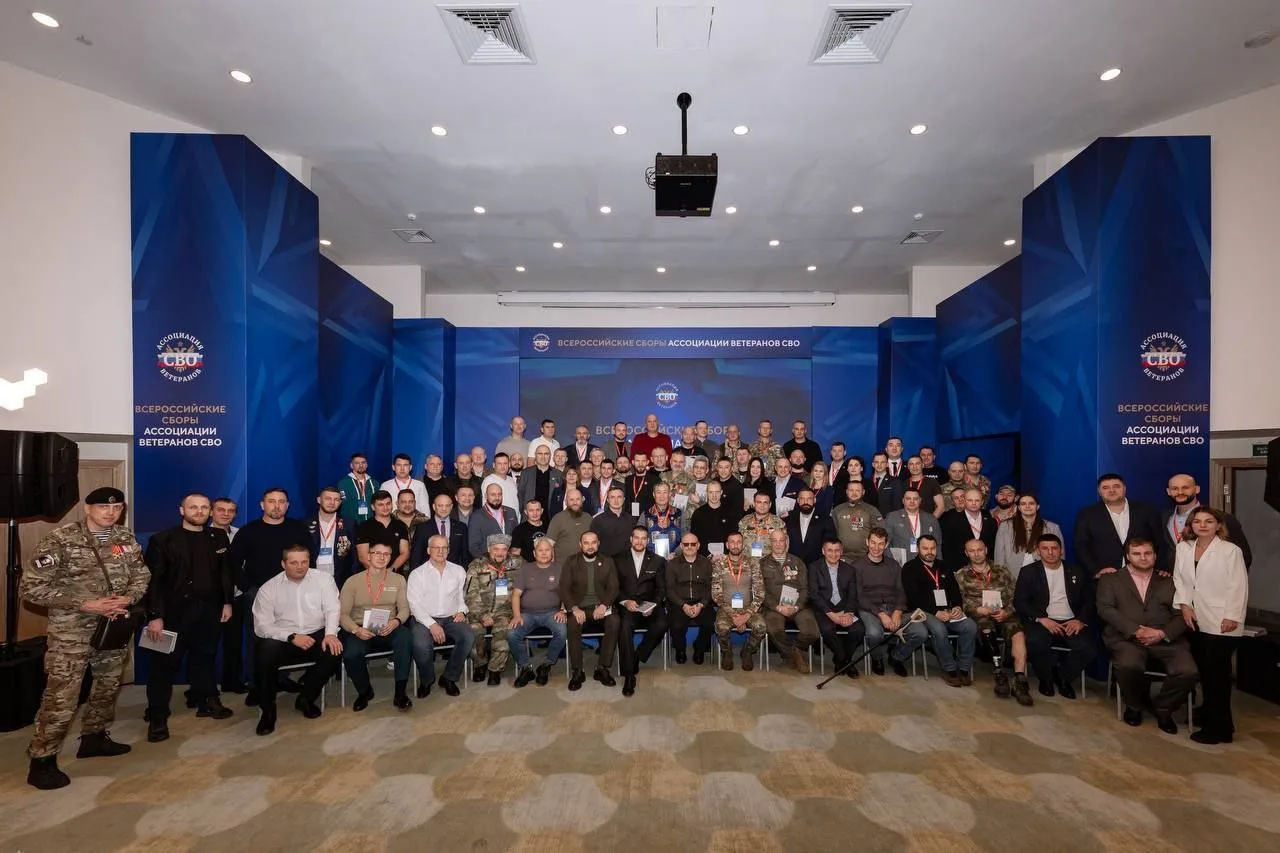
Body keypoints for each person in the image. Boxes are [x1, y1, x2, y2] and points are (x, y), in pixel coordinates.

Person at [22, 488, 150, 790]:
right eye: (103, 507)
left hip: (113, 625)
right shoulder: (61, 540)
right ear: (88, 508)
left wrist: (128, 597)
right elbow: (31, 588)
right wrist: (85, 604)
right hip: (72, 631)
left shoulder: (125, 538)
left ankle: (94, 738)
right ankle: (42, 760)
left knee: (107, 685)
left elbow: (141, 574)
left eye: (117, 507)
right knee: (62, 695)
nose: (111, 512)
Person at [142, 493, 234, 743]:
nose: (199, 511)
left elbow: (225, 574)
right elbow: (153, 582)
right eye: (193, 507)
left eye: (204, 507)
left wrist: (227, 602)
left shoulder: (218, 537)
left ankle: (207, 701)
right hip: (171, 616)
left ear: (210, 511)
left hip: (209, 612)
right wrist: (155, 616)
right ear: (182, 510)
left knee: (205, 658)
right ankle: (158, 716)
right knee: (163, 667)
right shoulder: (162, 540)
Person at [1097, 538, 1196, 733]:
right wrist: (1136, 630)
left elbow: (1182, 614)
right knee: (1129, 665)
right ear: (1128, 556)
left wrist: (1162, 633)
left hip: (1165, 639)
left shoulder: (1171, 581)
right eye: (1137, 554)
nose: (1143, 558)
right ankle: (1134, 706)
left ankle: (1163, 708)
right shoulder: (1110, 579)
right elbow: (1105, 609)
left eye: (1147, 553)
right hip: (1126, 638)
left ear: (1155, 556)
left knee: (1188, 671)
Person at [230, 487, 315, 703]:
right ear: (262, 505)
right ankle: (257, 685)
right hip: (258, 593)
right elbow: (233, 563)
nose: (277, 506)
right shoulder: (249, 531)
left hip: (292, 592)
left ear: (287, 505)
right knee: (258, 639)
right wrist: (247, 588)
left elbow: (310, 558)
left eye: (281, 501)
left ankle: (281, 678)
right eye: (272, 501)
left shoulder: (298, 529)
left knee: (289, 634)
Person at [1173, 507, 1248, 744]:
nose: (1202, 525)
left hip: (1223, 621)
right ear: (1191, 525)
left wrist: (1232, 616)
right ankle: (1214, 717)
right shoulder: (1183, 547)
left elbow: (1238, 585)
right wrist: (1184, 605)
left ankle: (1219, 729)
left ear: (1218, 525)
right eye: (1197, 521)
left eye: (1208, 521)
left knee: (1217, 676)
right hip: (1195, 618)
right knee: (1205, 673)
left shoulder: (1230, 550)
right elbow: (1179, 579)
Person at [251, 544, 343, 736]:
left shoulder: (323, 579)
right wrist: (291, 637)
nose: (300, 567)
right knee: (265, 651)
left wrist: (330, 634)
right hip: (284, 638)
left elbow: (332, 609)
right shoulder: (269, 588)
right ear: (283, 564)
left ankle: (306, 698)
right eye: (294, 563)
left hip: (316, 633)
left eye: (304, 562)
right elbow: (262, 626)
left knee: (334, 649)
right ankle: (267, 711)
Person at [1014, 534, 1097, 699]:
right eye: (1045, 548)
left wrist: (1080, 620)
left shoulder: (1076, 570)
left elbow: (1089, 601)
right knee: (1035, 642)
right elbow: (1020, 601)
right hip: (1043, 619)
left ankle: (1063, 677)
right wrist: (1041, 618)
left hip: (1071, 620)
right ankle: (1046, 679)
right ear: (1038, 551)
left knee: (1089, 648)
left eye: (1054, 548)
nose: (1050, 552)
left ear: (1061, 550)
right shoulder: (1028, 572)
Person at [956, 539, 1033, 705]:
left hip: (1004, 613)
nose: (976, 554)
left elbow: (1015, 595)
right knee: (986, 629)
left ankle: (1020, 679)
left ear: (986, 550)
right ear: (966, 553)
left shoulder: (1002, 571)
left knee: (1018, 633)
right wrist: (977, 609)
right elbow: (958, 601)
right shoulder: (961, 575)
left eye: (979, 550)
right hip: (980, 615)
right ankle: (999, 673)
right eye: (972, 551)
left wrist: (1007, 611)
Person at [338, 542, 413, 711]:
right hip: (360, 628)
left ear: (390, 557)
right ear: (369, 556)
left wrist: (396, 622)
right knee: (351, 654)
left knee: (406, 638)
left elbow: (404, 609)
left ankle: (400, 693)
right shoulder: (352, 581)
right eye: (377, 553)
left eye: (386, 554)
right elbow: (342, 614)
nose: (381, 557)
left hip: (389, 626)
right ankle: (365, 692)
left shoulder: (398, 579)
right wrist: (356, 630)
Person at [901, 535, 976, 688]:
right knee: (939, 628)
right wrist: (936, 612)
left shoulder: (944, 566)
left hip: (947, 611)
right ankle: (949, 669)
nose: (929, 552)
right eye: (925, 548)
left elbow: (954, 590)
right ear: (918, 549)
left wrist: (957, 606)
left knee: (970, 626)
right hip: (924, 612)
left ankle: (963, 668)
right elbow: (913, 597)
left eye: (933, 548)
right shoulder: (909, 568)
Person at [407, 535, 475, 698]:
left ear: (448, 550)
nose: (440, 551)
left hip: (451, 617)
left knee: (468, 636)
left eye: (444, 547)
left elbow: (462, 596)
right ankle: (427, 680)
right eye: (436, 547)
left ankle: (449, 677)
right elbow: (414, 605)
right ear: (428, 550)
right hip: (424, 619)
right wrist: (432, 624)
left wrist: (462, 610)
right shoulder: (417, 574)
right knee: (421, 644)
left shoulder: (458, 570)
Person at [855, 528, 925, 676]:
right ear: (867, 542)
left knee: (920, 633)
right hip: (870, 609)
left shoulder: (894, 565)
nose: (876, 547)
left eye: (881, 544)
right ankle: (877, 658)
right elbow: (859, 597)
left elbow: (901, 591)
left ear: (886, 545)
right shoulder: (857, 566)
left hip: (894, 608)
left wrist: (898, 611)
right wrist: (881, 614)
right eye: (873, 543)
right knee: (874, 633)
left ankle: (897, 657)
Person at [1073, 473, 1164, 579]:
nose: (1111, 490)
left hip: (1144, 575)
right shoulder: (1087, 515)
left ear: (1124, 488)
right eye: (1106, 488)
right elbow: (1081, 546)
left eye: (1116, 486)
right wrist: (1096, 570)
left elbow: (1159, 541)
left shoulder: (1146, 511)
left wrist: (1160, 567)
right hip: (1105, 577)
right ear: (1099, 491)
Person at [560, 531, 620, 690]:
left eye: (593, 542)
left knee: (614, 621)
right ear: (580, 545)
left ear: (598, 544)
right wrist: (574, 608)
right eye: (586, 543)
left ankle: (602, 668)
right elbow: (564, 589)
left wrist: (604, 605)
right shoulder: (571, 561)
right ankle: (577, 671)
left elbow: (614, 587)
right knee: (572, 623)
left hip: (601, 607)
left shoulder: (608, 561)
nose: (590, 546)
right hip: (579, 608)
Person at [507, 538, 569, 687]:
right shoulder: (525, 569)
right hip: (527, 614)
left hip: (552, 613)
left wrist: (563, 610)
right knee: (512, 634)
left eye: (547, 550)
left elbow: (567, 593)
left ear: (552, 552)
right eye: (540, 550)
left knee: (562, 632)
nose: (544, 553)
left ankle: (546, 665)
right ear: (534, 553)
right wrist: (516, 616)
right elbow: (516, 594)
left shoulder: (560, 569)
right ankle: (525, 667)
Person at [616, 526, 668, 695]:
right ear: (631, 539)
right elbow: (613, 587)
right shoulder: (617, 559)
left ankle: (638, 655)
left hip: (650, 603)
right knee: (624, 627)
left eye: (643, 538)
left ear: (648, 540)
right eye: (636, 538)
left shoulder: (658, 560)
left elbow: (661, 589)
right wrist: (625, 601)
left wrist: (652, 605)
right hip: (628, 605)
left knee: (662, 624)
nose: (639, 541)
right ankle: (629, 675)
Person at [759, 529, 819, 673]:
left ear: (786, 542)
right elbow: (761, 591)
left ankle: (795, 651)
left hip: (798, 607)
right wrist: (777, 607)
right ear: (770, 543)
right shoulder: (762, 564)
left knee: (812, 632)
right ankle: (795, 656)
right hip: (774, 608)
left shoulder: (798, 562)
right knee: (775, 630)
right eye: (775, 541)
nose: (778, 544)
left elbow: (805, 589)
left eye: (781, 540)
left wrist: (797, 607)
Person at [1164, 473, 1252, 569]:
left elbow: (1244, 557)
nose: (1180, 492)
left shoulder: (1222, 518)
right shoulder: (1164, 518)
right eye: (1175, 488)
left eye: (1185, 488)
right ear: (1168, 491)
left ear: (1197, 489)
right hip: (1177, 576)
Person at [465, 534, 519, 685]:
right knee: (474, 631)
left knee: (504, 631)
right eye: (496, 549)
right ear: (489, 549)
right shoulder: (476, 565)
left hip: (504, 611)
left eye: (504, 549)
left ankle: (495, 669)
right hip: (480, 610)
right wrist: (483, 615)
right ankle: (480, 664)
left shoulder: (517, 564)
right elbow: (471, 594)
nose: (500, 553)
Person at [807, 538, 863, 677]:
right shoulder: (814, 567)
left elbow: (853, 595)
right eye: (830, 550)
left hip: (844, 609)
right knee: (827, 630)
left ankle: (840, 660)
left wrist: (849, 613)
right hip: (824, 609)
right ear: (823, 551)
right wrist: (831, 614)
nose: (833, 554)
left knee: (858, 630)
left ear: (841, 551)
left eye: (837, 550)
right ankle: (845, 661)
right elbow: (814, 594)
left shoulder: (849, 569)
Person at [711, 532, 767, 671]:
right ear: (727, 545)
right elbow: (716, 594)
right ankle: (727, 652)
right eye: (732, 542)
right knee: (721, 627)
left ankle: (747, 651)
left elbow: (760, 593)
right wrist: (734, 615)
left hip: (748, 607)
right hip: (727, 608)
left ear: (743, 544)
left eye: (738, 542)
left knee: (761, 627)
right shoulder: (719, 564)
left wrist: (746, 615)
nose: (735, 545)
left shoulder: (753, 563)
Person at [211, 497, 248, 694]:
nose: (226, 514)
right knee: (205, 645)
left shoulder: (241, 534)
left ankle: (231, 681)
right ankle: (201, 688)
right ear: (211, 512)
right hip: (211, 599)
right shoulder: (201, 535)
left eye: (231, 510)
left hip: (237, 596)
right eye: (221, 510)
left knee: (233, 642)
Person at [666, 533, 715, 664]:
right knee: (676, 625)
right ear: (681, 546)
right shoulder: (672, 564)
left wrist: (701, 604)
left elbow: (711, 588)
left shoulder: (706, 564)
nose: (689, 547)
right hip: (679, 603)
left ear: (698, 545)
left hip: (702, 603)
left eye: (693, 544)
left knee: (710, 624)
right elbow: (669, 589)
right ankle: (680, 649)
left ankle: (699, 648)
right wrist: (683, 605)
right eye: (686, 544)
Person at [993, 492, 1062, 579]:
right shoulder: (1005, 526)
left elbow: (1060, 556)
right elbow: (999, 556)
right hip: (1012, 577)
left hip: (1044, 577)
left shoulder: (1053, 528)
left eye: (1031, 503)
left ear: (1037, 506)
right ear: (1019, 507)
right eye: (1023, 504)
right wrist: (1000, 577)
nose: (1027, 506)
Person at [308, 486, 356, 587]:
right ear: (319, 500)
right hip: (312, 578)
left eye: (336, 499)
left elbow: (354, 555)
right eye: (328, 498)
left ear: (340, 502)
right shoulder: (305, 524)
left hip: (340, 579)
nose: (332, 502)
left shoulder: (349, 524)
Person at [940, 489, 997, 573]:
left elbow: (993, 547)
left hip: (986, 569)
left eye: (977, 500)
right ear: (964, 501)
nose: (973, 503)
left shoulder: (991, 521)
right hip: (961, 570)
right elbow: (947, 548)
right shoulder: (951, 521)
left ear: (982, 502)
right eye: (970, 500)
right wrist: (951, 571)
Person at [355, 490, 411, 576]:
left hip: (395, 574)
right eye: (380, 505)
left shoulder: (401, 525)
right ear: (373, 507)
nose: (385, 507)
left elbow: (405, 553)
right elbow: (363, 557)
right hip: (370, 576)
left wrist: (392, 569)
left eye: (388, 504)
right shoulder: (364, 526)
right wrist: (379, 574)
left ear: (392, 505)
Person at [884, 488, 943, 563]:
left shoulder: (931, 519)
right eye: (908, 498)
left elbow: (938, 544)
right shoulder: (892, 517)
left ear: (920, 500)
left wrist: (939, 564)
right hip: (901, 563)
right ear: (903, 500)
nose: (912, 501)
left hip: (925, 563)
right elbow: (885, 543)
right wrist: (892, 561)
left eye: (915, 499)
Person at [412, 492, 468, 567]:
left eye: (447, 505)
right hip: (429, 571)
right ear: (434, 506)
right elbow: (416, 556)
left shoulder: (461, 527)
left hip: (454, 571)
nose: (444, 509)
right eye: (440, 505)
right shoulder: (422, 528)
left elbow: (465, 556)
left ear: (451, 507)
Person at [831, 481, 883, 561]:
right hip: (842, 557)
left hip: (865, 557)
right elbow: (832, 535)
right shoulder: (837, 510)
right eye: (851, 490)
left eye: (857, 490)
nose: (854, 493)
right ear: (847, 492)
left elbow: (880, 534)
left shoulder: (872, 510)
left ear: (863, 492)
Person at [468, 483, 519, 561]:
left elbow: (517, 539)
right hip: (488, 563)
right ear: (486, 496)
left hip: (509, 562)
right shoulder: (476, 516)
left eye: (499, 494)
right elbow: (473, 547)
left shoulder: (511, 512)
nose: (497, 497)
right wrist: (486, 563)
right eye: (493, 495)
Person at [689, 479, 740, 557]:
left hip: (726, 557)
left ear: (721, 492)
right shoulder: (698, 514)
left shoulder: (730, 512)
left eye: (717, 492)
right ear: (707, 493)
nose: (714, 495)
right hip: (704, 557)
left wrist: (725, 555)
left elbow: (733, 536)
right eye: (711, 492)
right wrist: (709, 556)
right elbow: (695, 538)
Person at [785, 488, 833, 566]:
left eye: (809, 499)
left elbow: (829, 544)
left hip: (817, 565)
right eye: (802, 499)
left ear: (814, 500)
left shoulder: (825, 519)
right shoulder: (789, 518)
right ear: (798, 500)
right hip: (793, 564)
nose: (805, 502)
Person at [591, 485, 637, 560]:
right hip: (606, 562)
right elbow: (593, 543)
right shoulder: (598, 520)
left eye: (619, 497)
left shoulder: (631, 519)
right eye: (612, 497)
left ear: (624, 499)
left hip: (627, 561)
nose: (616, 501)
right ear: (608, 500)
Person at [518, 445, 564, 518]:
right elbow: (520, 495)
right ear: (535, 456)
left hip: (551, 518)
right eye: (540, 454)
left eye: (546, 454)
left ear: (550, 456)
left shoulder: (558, 474)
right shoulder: (526, 473)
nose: (543, 457)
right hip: (530, 518)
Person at [547, 487, 594, 556]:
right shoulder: (557, 519)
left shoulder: (588, 518)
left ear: (582, 500)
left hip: (584, 562)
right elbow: (549, 545)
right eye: (571, 500)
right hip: (563, 562)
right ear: (566, 502)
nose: (575, 502)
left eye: (578, 499)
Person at [337, 452, 378, 529]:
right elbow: (343, 504)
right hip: (351, 526)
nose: (361, 465)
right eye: (357, 463)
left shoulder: (374, 483)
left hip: (372, 525)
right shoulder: (343, 483)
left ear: (367, 465)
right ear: (351, 465)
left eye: (363, 462)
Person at [739, 490, 785, 558]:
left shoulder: (778, 523)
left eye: (765, 502)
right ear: (754, 504)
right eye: (759, 502)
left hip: (769, 563)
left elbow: (784, 546)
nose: (762, 505)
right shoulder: (744, 521)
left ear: (770, 505)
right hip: (747, 563)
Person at [642, 482, 683, 558]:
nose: (662, 496)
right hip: (651, 558)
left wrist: (676, 553)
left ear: (670, 494)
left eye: (665, 492)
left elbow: (686, 538)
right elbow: (639, 537)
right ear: (654, 494)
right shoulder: (646, 514)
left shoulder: (679, 513)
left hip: (675, 559)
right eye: (658, 492)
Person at [394, 489, 430, 558]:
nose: (407, 505)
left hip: (421, 563)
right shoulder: (390, 521)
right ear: (397, 504)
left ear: (415, 503)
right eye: (403, 502)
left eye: (411, 501)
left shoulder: (426, 521)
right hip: (396, 564)